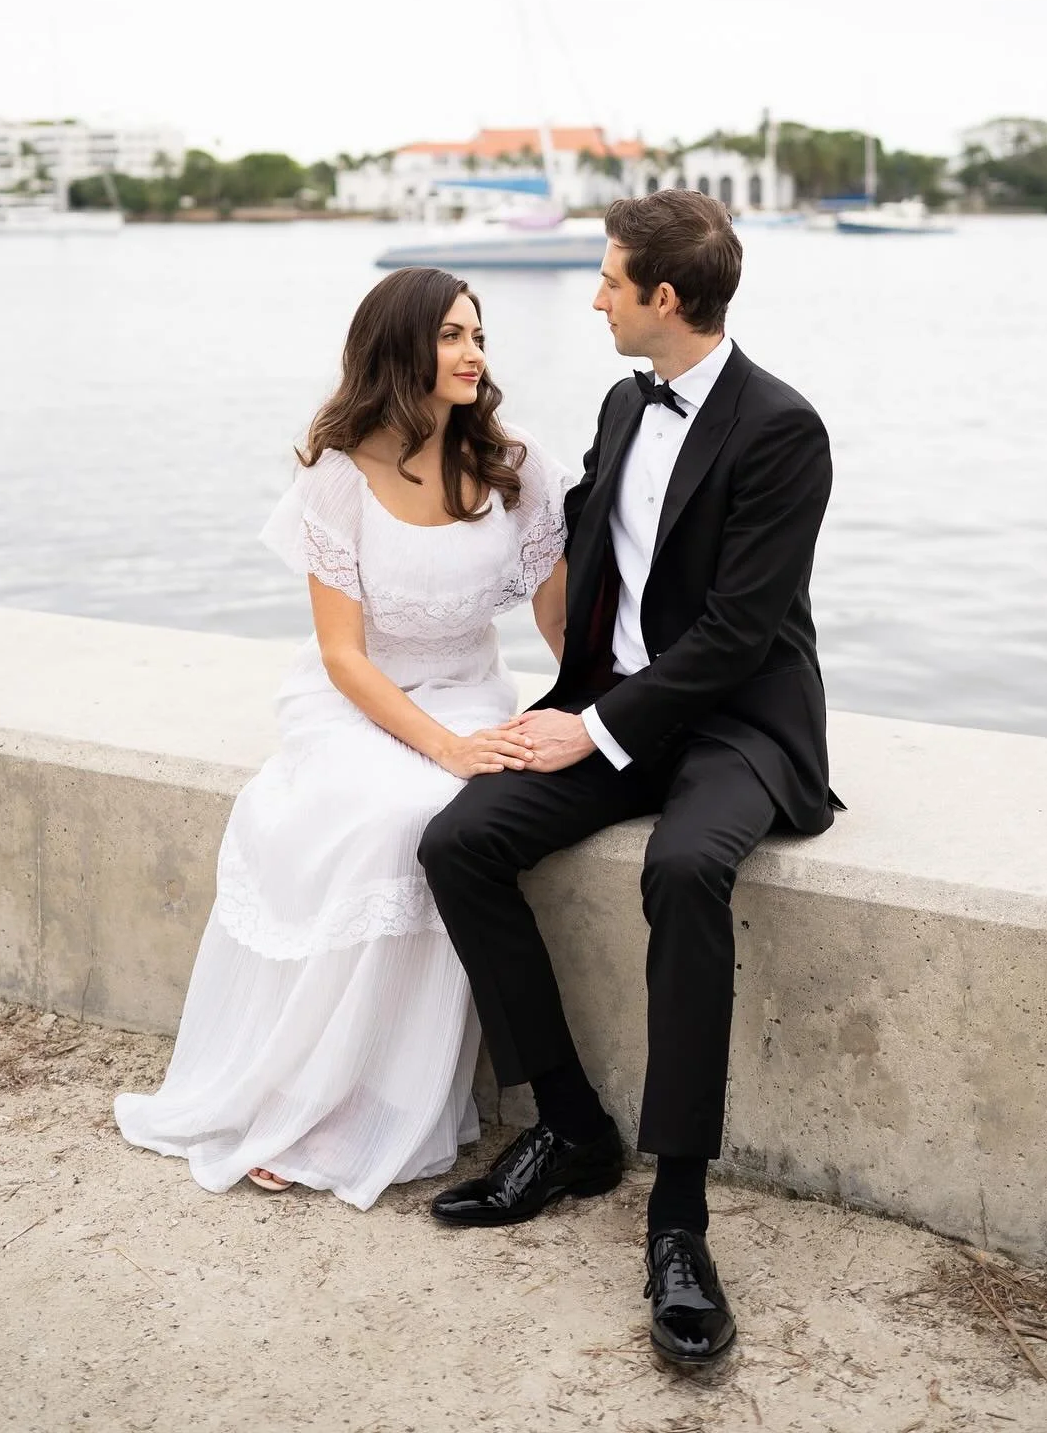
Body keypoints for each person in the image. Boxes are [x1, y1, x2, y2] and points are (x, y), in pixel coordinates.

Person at [418, 189, 839, 1367]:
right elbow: (584, 538)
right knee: (459, 842)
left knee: (688, 866)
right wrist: (463, 459)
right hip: (613, 709)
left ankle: (679, 1221)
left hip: (737, 722)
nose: (593, 295)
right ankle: (569, 1129)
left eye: (609, 279)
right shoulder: (621, 397)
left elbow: (739, 635)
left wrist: (594, 731)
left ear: (665, 297)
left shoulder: (782, 429)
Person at [114, 267, 571, 1209]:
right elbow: (343, 656)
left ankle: (379, 1100)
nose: (474, 353)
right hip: (358, 701)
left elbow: (562, 628)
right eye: (451, 335)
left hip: (473, 690)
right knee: (387, 812)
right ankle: (307, 1096)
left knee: (450, 823)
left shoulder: (515, 465)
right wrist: (442, 748)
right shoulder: (336, 473)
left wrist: (596, 720)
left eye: (478, 334)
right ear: (401, 347)